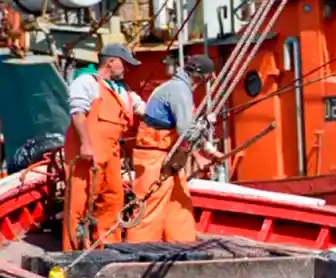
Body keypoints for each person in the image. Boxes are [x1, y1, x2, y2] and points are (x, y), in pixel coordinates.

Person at [126, 54, 224, 243]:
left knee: (179, 203)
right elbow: (186, 130)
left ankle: (182, 245)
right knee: (150, 206)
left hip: (167, 154)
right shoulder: (180, 90)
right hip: (155, 156)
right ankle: (137, 249)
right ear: (203, 76)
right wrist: (206, 150)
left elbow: (186, 129)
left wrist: (209, 151)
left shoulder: (176, 88)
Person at [63, 43, 146, 251]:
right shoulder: (86, 82)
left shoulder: (124, 91)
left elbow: (145, 110)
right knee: (80, 203)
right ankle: (73, 251)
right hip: (86, 154)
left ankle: (108, 248)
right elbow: (77, 113)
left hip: (111, 154)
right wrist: (85, 144)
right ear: (111, 62)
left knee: (113, 199)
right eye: (125, 64)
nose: (127, 69)